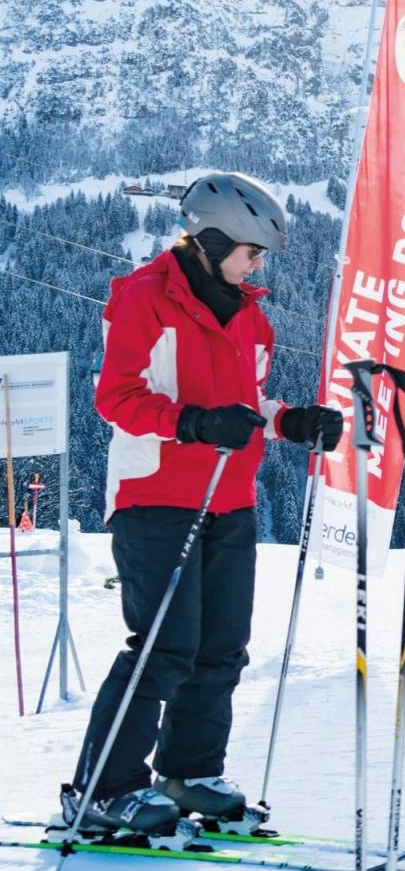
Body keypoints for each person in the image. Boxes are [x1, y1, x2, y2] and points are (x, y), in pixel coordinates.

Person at [64, 173, 343, 837]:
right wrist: (189, 422)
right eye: (251, 252)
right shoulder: (144, 300)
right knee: (165, 646)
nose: (256, 266)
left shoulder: (249, 315)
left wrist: (290, 421)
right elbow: (117, 399)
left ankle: (189, 773)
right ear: (215, 240)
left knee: (220, 647)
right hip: (156, 494)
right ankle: (104, 788)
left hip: (230, 498)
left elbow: (246, 408)